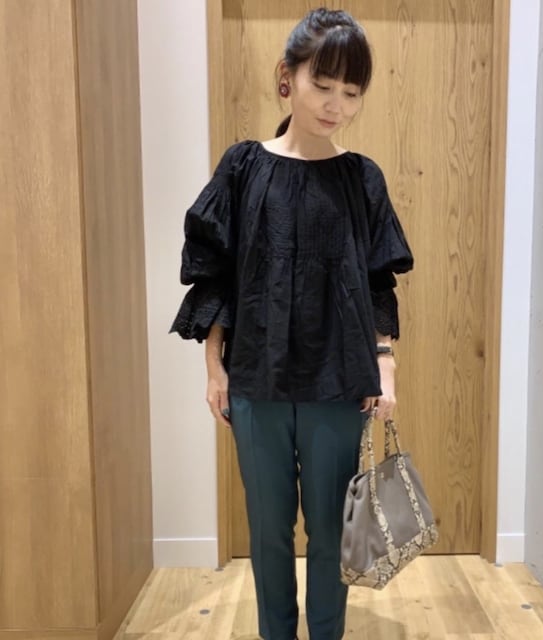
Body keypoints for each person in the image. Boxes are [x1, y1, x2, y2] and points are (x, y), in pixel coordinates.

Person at [170, 8, 413, 640]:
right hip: (257, 381)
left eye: (351, 92)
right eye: (322, 85)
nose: (336, 105)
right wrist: (214, 366)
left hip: (339, 384)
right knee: (268, 530)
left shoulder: (362, 178)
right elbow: (216, 273)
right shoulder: (244, 167)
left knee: (332, 530)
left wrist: (384, 364)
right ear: (288, 75)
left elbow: (378, 281)